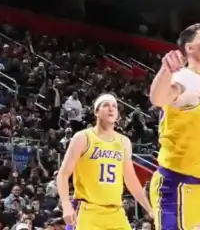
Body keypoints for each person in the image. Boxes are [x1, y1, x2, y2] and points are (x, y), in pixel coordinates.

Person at [149, 23, 200, 230]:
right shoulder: (187, 77)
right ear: (190, 47)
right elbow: (159, 98)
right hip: (178, 187)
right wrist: (166, 72)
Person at [56, 93, 153, 229]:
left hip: (116, 211)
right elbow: (63, 174)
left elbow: (131, 179)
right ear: (96, 111)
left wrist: (149, 208)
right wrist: (66, 205)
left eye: (114, 106)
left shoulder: (123, 142)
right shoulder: (83, 137)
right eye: (106, 105)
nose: (111, 108)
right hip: (89, 210)